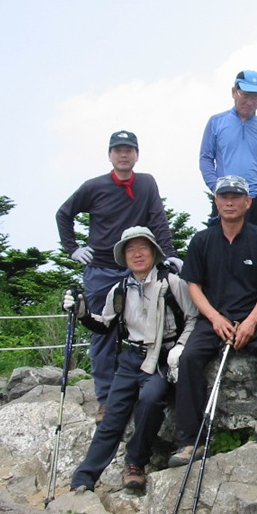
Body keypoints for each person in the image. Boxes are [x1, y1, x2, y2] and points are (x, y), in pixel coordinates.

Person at [56, 130, 181, 424]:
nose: (124, 155)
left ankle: (145, 390)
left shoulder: (146, 183)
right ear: (110, 154)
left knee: (148, 328)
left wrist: (169, 253)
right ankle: (106, 399)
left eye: (129, 150)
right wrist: (72, 248)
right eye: (118, 150)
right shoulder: (94, 186)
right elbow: (64, 214)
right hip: (101, 268)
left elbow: (157, 219)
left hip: (138, 268)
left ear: (136, 154)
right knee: (102, 334)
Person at [169, 175, 257, 466]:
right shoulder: (201, 240)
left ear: (248, 202)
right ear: (216, 201)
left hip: (254, 315)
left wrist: (251, 321)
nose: (229, 202)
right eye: (224, 196)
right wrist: (213, 318)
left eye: (236, 197)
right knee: (189, 359)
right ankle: (190, 439)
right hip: (213, 319)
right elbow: (193, 285)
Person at [67, 226, 197, 492]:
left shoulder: (171, 282)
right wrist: (81, 312)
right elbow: (105, 324)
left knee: (149, 401)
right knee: (112, 417)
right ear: (124, 257)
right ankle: (84, 478)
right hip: (131, 359)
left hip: (162, 358)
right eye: (130, 249)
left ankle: (135, 462)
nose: (137, 254)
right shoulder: (120, 288)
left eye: (143, 248)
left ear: (153, 252)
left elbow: (194, 317)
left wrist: (181, 347)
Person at [199, 70, 257, 232]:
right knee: (221, 250)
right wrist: (216, 188)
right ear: (234, 92)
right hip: (226, 198)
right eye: (245, 95)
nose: (250, 102)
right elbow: (205, 159)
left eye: (255, 97)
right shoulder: (217, 122)